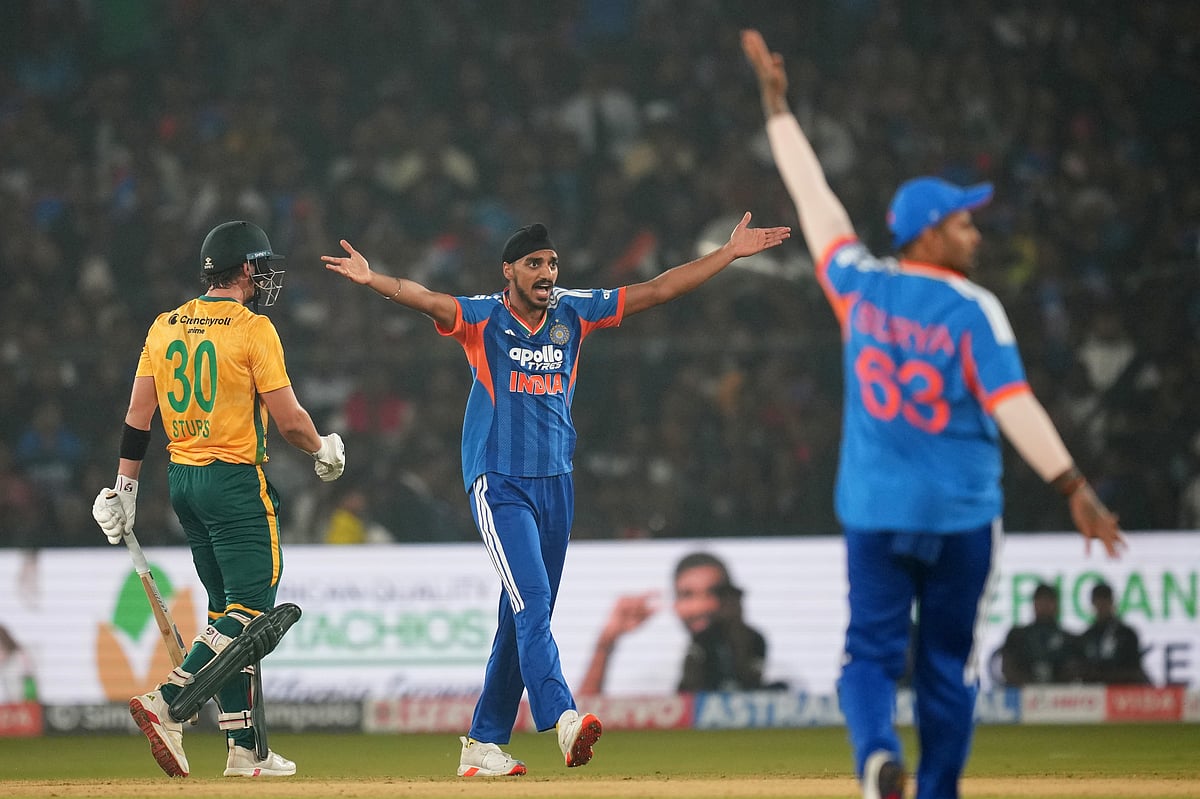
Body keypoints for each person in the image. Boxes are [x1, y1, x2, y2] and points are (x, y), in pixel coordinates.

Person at [741, 29, 1125, 799]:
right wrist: (1072, 483)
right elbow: (1014, 405)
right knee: (946, 666)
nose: (974, 232)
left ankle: (877, 756)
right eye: (962, 221)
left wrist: (777, 110)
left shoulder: (856, 287)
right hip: (960, 516)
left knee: (869, 657)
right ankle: (938, 789)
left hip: (877, 511)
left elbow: (816, 204)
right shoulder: (973, 309)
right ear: (926, 232)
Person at [322, 214, 790, 777]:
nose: (547, 273)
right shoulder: (484, 318)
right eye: (535, 265)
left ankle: (482, 745)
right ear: (510, 272)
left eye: (551, 263)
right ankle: (563, 718)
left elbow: (660, 289)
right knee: (533, 602)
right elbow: (428, 300)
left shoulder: (574, 309)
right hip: (500, 480)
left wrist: (728, 253)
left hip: (556, 483)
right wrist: (375, 280)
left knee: (517, 615)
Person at [91, 220, 346, 779]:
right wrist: (322, 447)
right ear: (248, 269)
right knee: (251, 613)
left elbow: (139, 416)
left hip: (183, 483)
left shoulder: (165, 326)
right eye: (263, 268)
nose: (266, 278)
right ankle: (167, 704)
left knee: (222, 614)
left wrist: (125, 488)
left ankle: (245, 748)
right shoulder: (252, 329)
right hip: (234, 481)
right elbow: (288, 420)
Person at [579, 552, 771, 696]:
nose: (700, 607)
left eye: (713, 593)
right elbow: (581, 718)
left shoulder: (763, 654)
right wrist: (606, 641)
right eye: (688, 595)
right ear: (675, 602)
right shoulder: (653, 673)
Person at [999, 583, 1082, 686]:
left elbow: (1075, 670)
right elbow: (1007, 668)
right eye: (1041, 601)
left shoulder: (1069, 639)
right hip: (1022, 693)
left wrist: (1053, 686)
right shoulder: (1017, 636)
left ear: (1056, 604)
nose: (1044, 605)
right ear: (1034, 604)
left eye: (1049, 601)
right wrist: (1029, 685)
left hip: (1060, 696)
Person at [1079, 581, 1150, 685]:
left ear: (1112, 602)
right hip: (1094, 693)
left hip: (1121, 690)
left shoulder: (1127, 634)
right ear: (1093, 603)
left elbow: (1134, 669)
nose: (1102, 605)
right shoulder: (1087, 636)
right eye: (1098, 600)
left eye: (1105, 600)